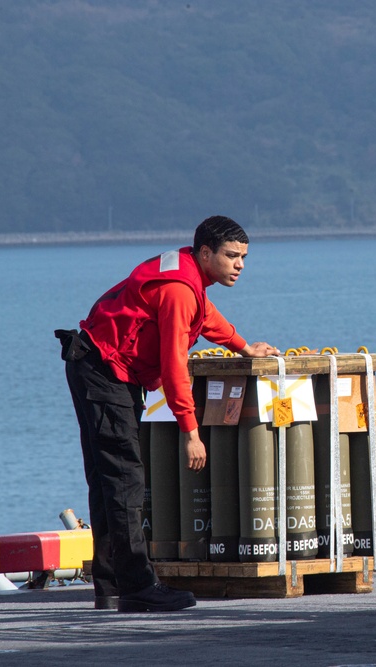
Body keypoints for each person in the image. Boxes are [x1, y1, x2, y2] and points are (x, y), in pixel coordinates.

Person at [56, 216, 280, 611]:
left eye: (244, 256)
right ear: (206, 252)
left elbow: (206, 317)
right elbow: (175, 365)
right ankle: (138, 588)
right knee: (124, 480)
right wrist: (191, 431)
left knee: (108, 481)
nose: (240, 264)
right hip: (104, 372)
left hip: (97, 367)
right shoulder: (179, 290)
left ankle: (110, 587)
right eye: (231, 255)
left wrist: (244, 347)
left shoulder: (187, 273)